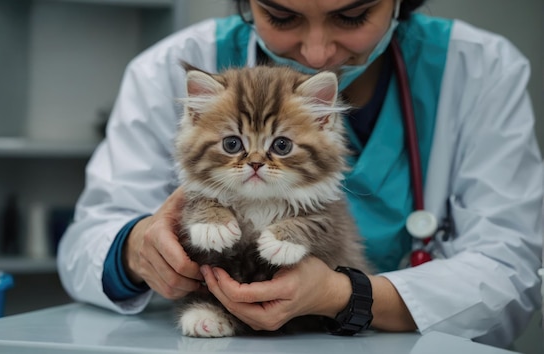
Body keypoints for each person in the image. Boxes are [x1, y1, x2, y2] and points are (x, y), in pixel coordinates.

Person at [57, 0, 543, 348]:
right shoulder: (170, 65)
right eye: (282, 16)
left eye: (352, 15)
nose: (316, 53)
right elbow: (88, 240)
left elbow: (512, 266)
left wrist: (344, 295)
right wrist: (135, 248)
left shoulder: (479, 68)